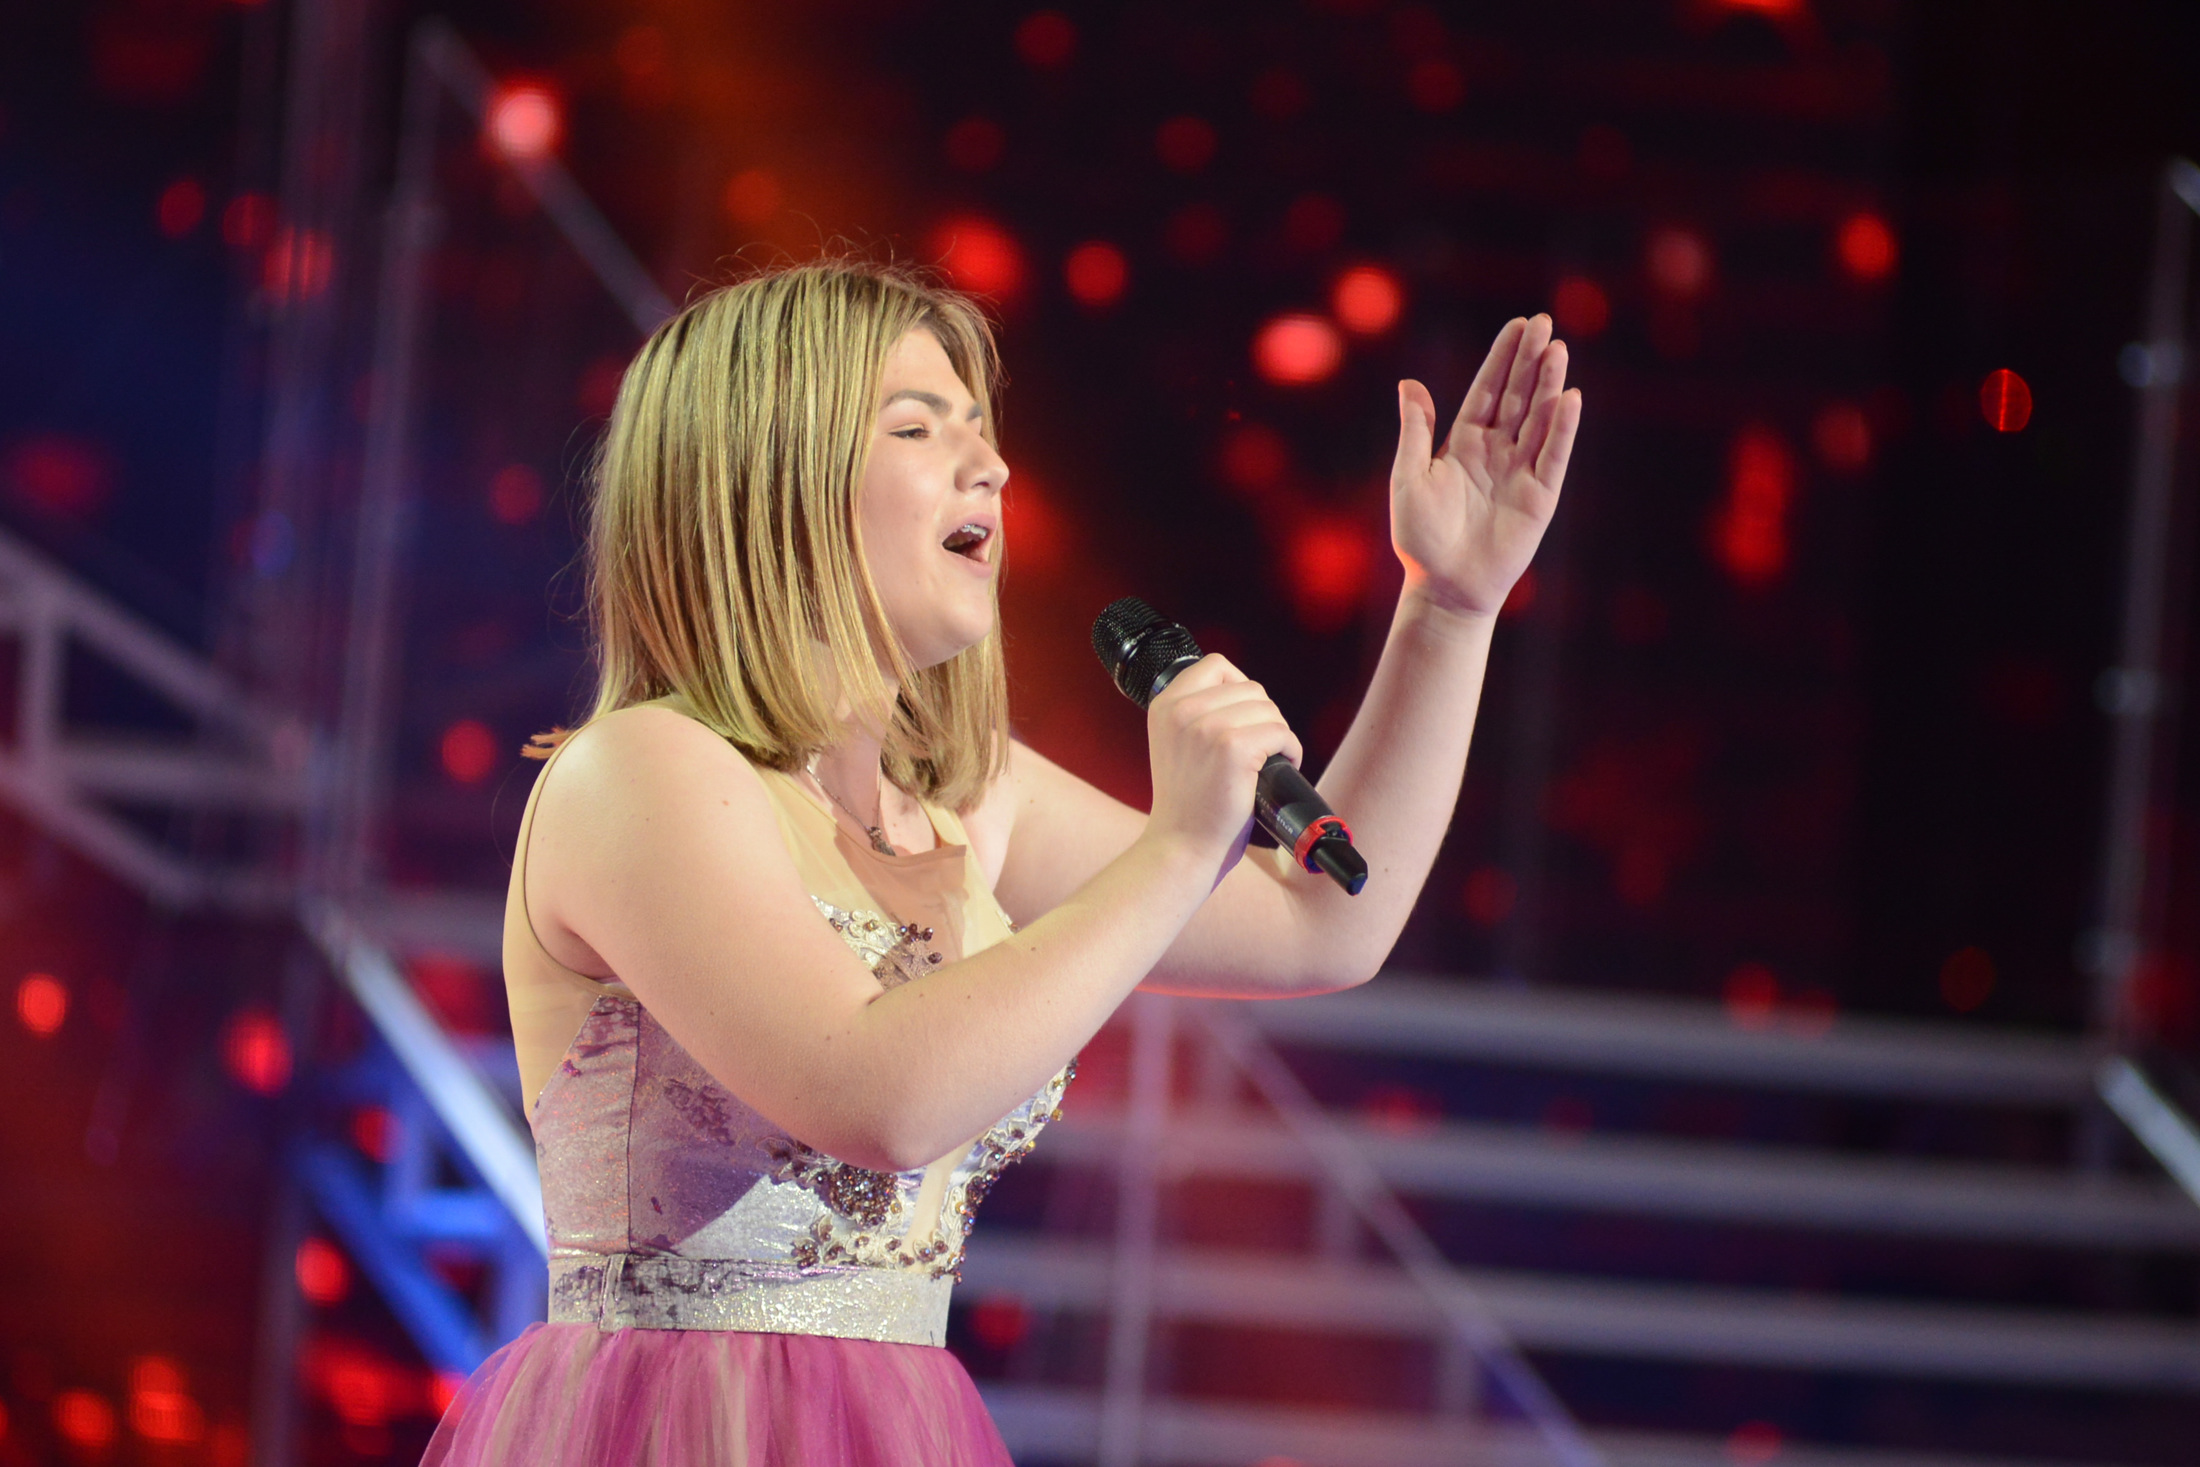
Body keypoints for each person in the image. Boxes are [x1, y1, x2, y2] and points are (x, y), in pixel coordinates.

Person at [421, 259, 1578, 1465]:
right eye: (918, 427)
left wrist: (1450, 608)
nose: (991, 467)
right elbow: (882, 1098)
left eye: (981, 426)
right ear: (769, 476)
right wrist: (1181, 842)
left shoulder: (970, 800)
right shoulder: (639, 771)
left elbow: (1325, 923)